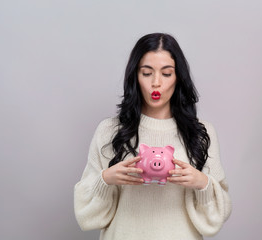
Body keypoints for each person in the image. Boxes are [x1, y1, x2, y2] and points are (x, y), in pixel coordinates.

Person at [74, 33, 231, 240]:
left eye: (166, 74)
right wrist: (105, 180)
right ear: (135, 77)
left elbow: (216, 218)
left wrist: (202, 183)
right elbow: (86, 216)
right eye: (147, 73)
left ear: (178, 78)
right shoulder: (110, 131)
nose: (156, 83)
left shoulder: (201, 133)